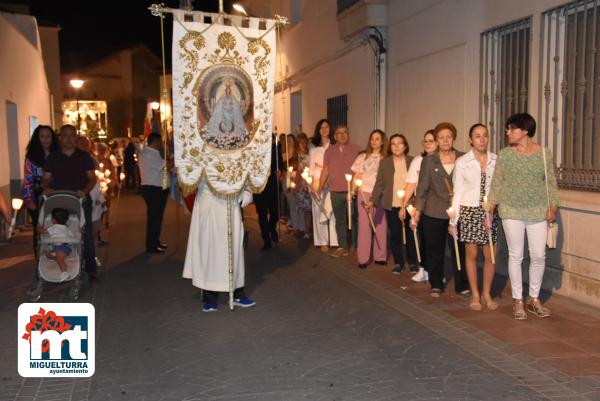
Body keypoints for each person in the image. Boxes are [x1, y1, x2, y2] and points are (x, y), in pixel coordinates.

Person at [488, 113, 558, 320]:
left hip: (537, 210)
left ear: (525, 130)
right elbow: (497, 182)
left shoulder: (544, 153)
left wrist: (552, 206)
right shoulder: (505, 155)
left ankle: (534, 298)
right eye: (507, 129)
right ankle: (518, 300)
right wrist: (490, 204)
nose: (507, 132)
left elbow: (551, 182)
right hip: (511, 210)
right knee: (516, 256)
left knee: (538, 255)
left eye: (511, 129)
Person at [412, 122, 468, 297]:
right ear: (436, 140)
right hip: (434, 210)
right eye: (441, 137)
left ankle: (462, 285)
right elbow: (422, 190)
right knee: (434, 248)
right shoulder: (429, 161)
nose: (445, 140)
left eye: (449, 137)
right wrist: (417, 213)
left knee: (459, 248)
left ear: (454, 138)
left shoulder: (463, 158)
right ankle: (436, 283)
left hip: (457, 211)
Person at [183, 182, 254, 312]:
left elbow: (245, 170)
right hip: (209, 202)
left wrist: (247, 192)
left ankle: (237, 292)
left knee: (234, 249)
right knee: (210, 250)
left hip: (232, 202)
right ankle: (209, 295)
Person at [450, 124, 498, 311]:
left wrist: (493, 208)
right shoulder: (463, 162)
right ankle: (475, 294)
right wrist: (453, 221)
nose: (482, 139)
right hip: (470, 210)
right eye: (477, 136)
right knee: (472, 254)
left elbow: (498, 187)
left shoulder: (496, 159)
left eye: (485, 135)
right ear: (471, 139)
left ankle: (486, 293)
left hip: (490, 211)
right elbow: (458, 192)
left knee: (490, 255)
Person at [42, 124, 98, 281]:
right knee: (55, 233)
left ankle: (91, 270)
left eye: (72, 135)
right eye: (65, 135)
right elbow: (45, 179)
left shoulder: (84, 156)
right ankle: (55, 266)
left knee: (85, 234)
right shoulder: (53, 157)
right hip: (58, 201)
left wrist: (84, 192)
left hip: (80, 200)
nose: (68, 139)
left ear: (76, 137)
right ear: (60, 138)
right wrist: (46, 188)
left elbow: (92, 178)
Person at [371, 134, 415, 274]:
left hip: (409, 205)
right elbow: (379, 184)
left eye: (400, 143)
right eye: (393, 144)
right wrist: (373, 200)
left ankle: (413, 261)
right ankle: (398, 262)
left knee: (411, 234)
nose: (396, 146)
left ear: (405, 146)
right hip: (392, 204)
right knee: (395, 235)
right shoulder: (385, 163)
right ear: (390, 147)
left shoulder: (412, 161)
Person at [317, 125, 360, 257]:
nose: (342, 135)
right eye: (339, 133)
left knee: (354, 218)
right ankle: (342, 246)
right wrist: (319, 188)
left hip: (352, 192)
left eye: (345, 132)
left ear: (349, 134)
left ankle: (355, 245)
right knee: (340, 220)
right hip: (335, 191)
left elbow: (361, 171)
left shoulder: (357, 149)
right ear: (334, 136)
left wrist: (356, 188)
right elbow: (325, 170)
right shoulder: (329, 151)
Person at [403, 130, 437, 282]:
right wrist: (403, 205)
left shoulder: (443, 159)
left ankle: (435, 271)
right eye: (425, 141)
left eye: (431, 140)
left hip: (438, 206)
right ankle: (423, 269)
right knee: (422, 239)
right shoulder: (417, 160)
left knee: (435, 242)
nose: (428, 144)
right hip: (421, 205)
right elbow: (411, 184)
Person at [353, 129, 388, 269]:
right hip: (364, 194)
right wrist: (352, 191)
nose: (374, 141)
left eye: (377, 138)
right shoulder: (362, 157)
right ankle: (363, 258)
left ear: (382, 141)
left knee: (380, 224)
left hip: (380, 195)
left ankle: (380, 256)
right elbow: (356, 176)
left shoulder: (386, 159)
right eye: (372, 138)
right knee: (364, 225)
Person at [23, 125, 59, 258]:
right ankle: (40, 259)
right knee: (38, 230)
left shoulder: (58, 155)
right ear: (37, 139)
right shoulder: (31, 158)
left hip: (56, 195)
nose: (45, 139)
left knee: (56, 226)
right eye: (42, 136)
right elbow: (27, 181)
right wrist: (29, 201)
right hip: (37, 197)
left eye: (48, 136)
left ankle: (57, 255)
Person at [309, 119, 338, 252]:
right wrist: (311, 185)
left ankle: (334, 240)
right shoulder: (314, 150)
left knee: (331, 212)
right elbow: (311, 170)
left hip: (332, 181)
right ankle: (322, 241)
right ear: (318, 130)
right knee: (318, 211)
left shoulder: (335, 147)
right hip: (317, 182)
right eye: (321, 127)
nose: (324, 129)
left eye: (326, 127)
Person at [138, 133, 169, 254]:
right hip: (153, 188)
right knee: (154, 218)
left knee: (157, 218)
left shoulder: (151, 153)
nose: (161, 144)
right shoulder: (149, 154)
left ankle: (155, 241)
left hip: (156, 187)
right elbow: (165, 166)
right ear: (155, 141)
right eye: (160, 142)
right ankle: (151, 246)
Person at [254, 132, 283, 250]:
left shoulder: (274, 142)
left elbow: (279, 162)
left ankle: (272, 228)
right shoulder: (253, 144)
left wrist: (280, 170)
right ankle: (266, 239)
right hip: (259, 183)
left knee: (275, 212)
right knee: (262, 214)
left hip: (272, 183)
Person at [38, 208, 73, 282]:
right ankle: (54, 257)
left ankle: (64, 273)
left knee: (60, 259)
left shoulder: (54, 228)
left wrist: (38, 227)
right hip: (61, 247)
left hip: (62, 247)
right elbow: (71, 237)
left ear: (53, 220)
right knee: (48, 254)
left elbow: (43, 231)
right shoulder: (67, 229)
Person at [296, 132, 312, 239]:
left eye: (303, 141)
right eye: (300, 142)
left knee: (311, 208)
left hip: (310, 183)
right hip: (302, 184)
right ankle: (305, 229)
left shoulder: (310, 154)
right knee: (305, 209)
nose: (302, 144)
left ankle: (310, 229)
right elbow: (297, 171)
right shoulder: (297, 155)